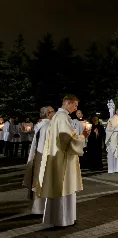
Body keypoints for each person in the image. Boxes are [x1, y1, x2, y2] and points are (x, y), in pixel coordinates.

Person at [37, 94, 89, 227]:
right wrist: (82, 136)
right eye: (75, 105)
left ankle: (61, 218)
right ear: (68, 103)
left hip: (58, 157)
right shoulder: (63, 117)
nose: (76, 108)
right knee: (64, 187)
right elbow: (66, 140)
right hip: (64, 159)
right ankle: (63, 219)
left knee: (60, 188)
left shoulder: (57, 117)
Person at [23, 106, 55, 215]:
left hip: (38, 157)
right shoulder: (47, 126)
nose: (54, 114)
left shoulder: (39, 125)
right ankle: (41, 209)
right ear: (47, 114)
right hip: (44, 158)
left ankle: (37, 208)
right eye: (52, 112)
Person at [105, 108, 118, 173]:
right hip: (113, 139)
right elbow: (108, 129)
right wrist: (117, 127)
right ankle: (112, 169)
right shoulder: (111, 119)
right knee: (113, 153)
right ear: (116, 112)